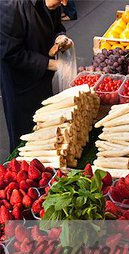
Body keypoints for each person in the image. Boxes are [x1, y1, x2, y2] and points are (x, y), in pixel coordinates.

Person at [0, 0, 73, 152]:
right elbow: (11, 53)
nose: (65, 3)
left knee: (46, 128)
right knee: (26, 136)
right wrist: (53, 65)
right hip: (21, 86)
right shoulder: (11, 6)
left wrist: (60, 37)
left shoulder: (51, 3)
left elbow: (56, 26)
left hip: (42, 77)